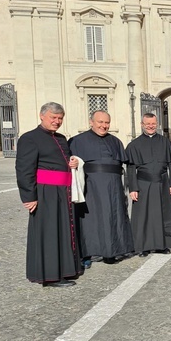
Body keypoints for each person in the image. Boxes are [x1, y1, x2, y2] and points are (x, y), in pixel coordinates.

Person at [15, 102, 82, 287]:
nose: (57, 121)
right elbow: (24, 169)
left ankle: (65, 269)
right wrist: (29, 197)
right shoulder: (30, 138)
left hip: (63, 192)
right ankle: (50, 275)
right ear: (42, 116)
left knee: (63, 232)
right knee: (49, 233)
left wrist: (73, 163)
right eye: (53, 117)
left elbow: (63, 161)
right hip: (45, 193)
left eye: (60, 118)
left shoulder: (60, 138)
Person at [69, 110, 134, 265]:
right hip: (91, 187)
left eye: (106, 123)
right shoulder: (76, 141)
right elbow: (70, 162)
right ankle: (86, 254)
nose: (104, 126)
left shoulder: (115, 141)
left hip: (113, 188)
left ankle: (111, 251)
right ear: (91, 122)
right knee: (89, 220)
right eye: (100, 122)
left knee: (113, 217)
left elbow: (124, 164)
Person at [125, 113, 171, 256]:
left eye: (153, 123)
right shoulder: (134, 145)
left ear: (157, 124)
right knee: (143, 216)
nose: (150, 126)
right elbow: (131, 168)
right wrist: (133, 188)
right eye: (147, 124)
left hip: (162, 182)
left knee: (163, 215)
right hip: (142, 183)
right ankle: (143, 246)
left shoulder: (165, 142)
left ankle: (162, 245)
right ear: (142, 124)